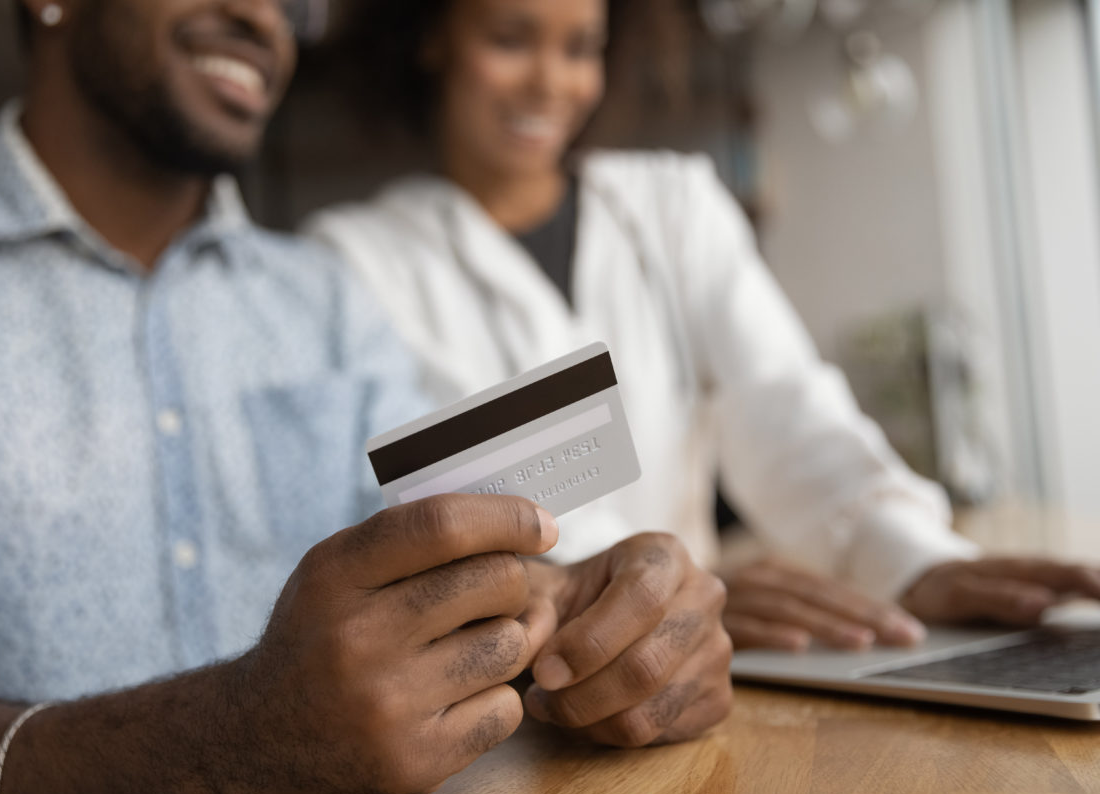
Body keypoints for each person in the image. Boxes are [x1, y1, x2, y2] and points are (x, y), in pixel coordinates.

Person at [0, 1, 734, 794]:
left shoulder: (324, 301)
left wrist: (598, 624)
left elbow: (439, 579)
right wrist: (238, 739)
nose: (264, 18)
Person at [305, 0, 1100, 654]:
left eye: (581, 47)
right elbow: (465, 504)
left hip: (722, 668)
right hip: (527, 689)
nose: (552, 82)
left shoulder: (675, 205)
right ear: (432, 38)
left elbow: (786, 407)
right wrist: (660, 594)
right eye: (511, 39)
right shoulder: (355, 262)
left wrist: (909, 559)